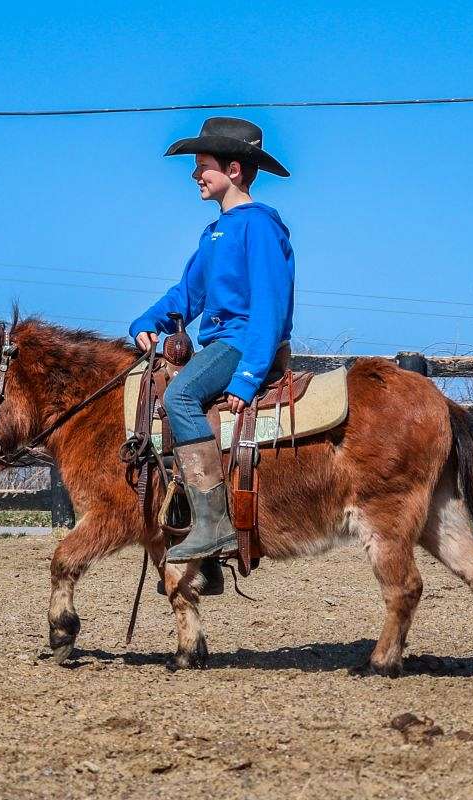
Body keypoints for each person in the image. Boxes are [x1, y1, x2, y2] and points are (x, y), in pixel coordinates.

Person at [129, 117, 295, 563]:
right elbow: (188, 294)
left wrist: (247, 375)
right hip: (224, 346)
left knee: (181, 395)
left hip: (241, 345)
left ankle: (214, 522)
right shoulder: (215, 233)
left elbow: (269, 308)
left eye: (203, 165)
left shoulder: (259, 226)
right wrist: (148, 320)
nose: (194, 175)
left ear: (234, 170)